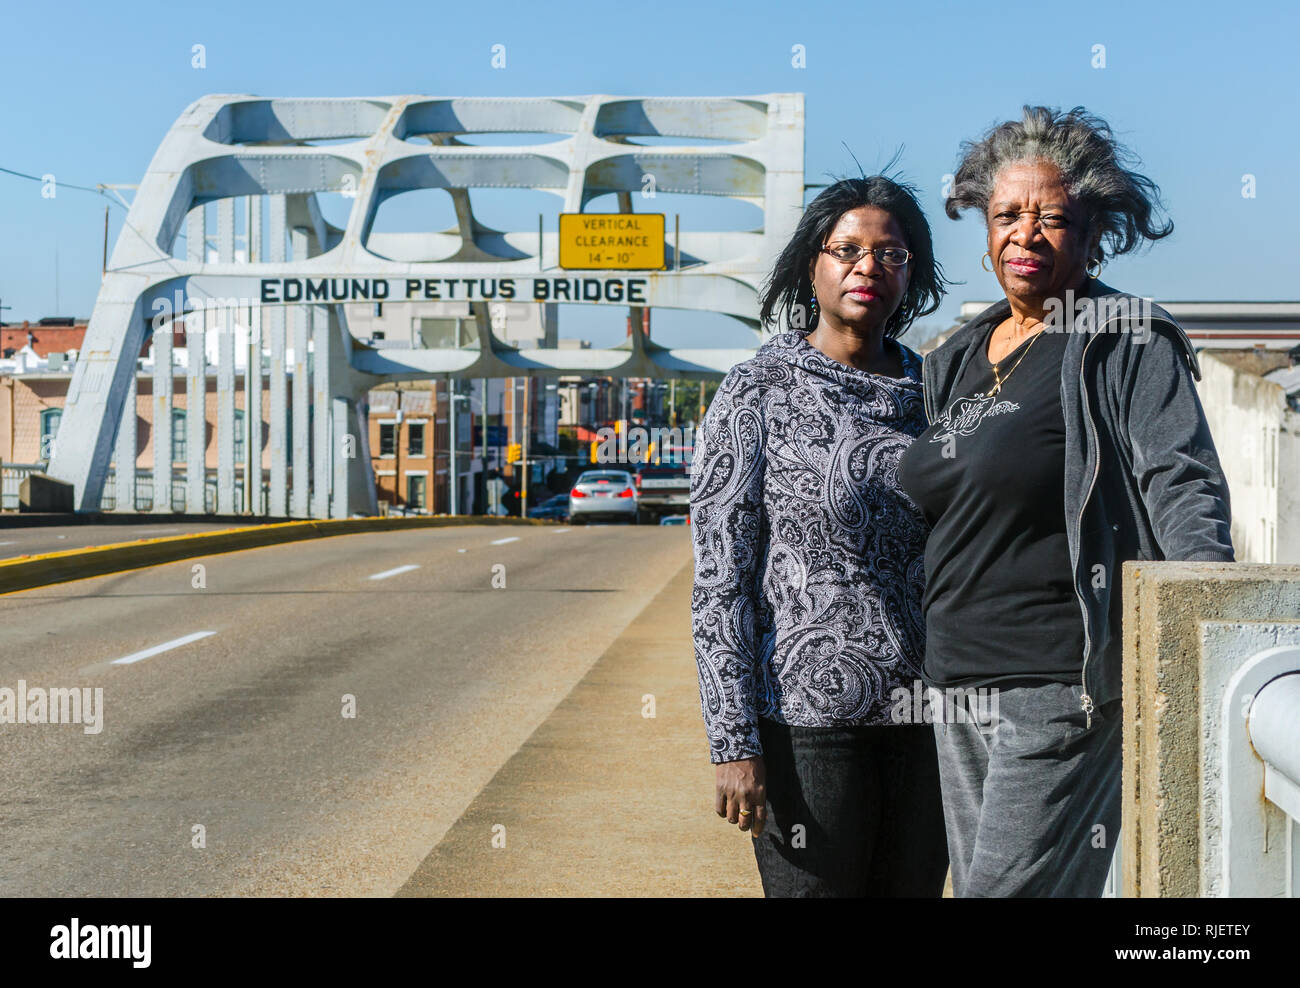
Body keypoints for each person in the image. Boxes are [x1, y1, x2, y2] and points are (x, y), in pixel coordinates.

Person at [896, 106, 1234, 897]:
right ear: (983, 230)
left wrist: (1205, 639)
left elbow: (1179, 482)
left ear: (1094, 234)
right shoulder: (957, 357)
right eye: (1008, 215)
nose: (1026, 233)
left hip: (1061, 686)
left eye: (1053, 218)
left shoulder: (1126, 340)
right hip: (955, 683)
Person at [690, 175, 950, 896]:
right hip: (808, 727)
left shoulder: (941, 398)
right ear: (813, 265)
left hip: (927, 724)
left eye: (891, 254)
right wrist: (733, 744)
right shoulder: (758, 390)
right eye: (848, 249)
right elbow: (720, 581)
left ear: (912, 275)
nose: (869, 267)